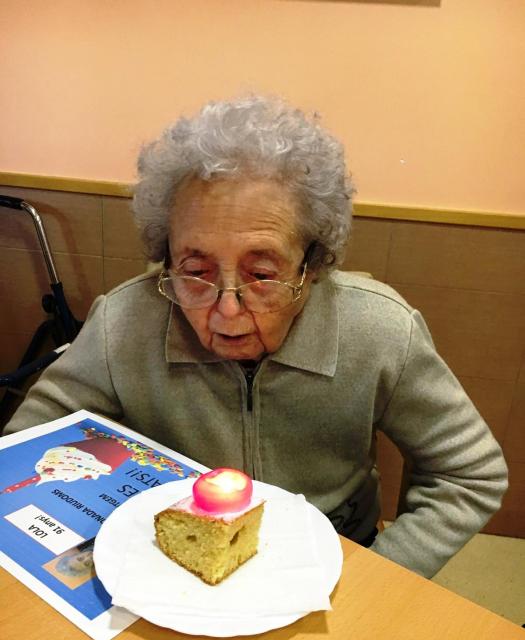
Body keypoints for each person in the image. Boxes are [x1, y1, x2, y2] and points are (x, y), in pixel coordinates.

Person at [4, 95, 507, 578]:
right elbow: (21, 449)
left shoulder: (380, 331)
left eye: (262, 274)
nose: (227, 311)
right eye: (195, 271)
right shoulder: (124, 322)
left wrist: (375, 583)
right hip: (181, 559)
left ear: (313, 265)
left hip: (334, 559)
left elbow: (470, 474)